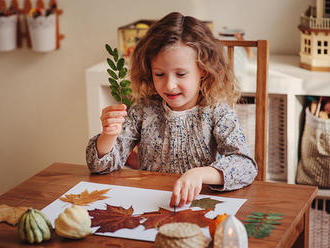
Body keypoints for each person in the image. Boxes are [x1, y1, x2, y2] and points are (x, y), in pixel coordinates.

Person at [86, 12, 257, 208]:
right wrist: (108, 135)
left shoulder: (217, 112)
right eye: (159, 74)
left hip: (198, 207)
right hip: (148, 205)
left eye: (181, 74)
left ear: (203, 70)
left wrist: (200, 174)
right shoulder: (143, 109)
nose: (169, 85)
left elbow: (245, 166)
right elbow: (99, 166)